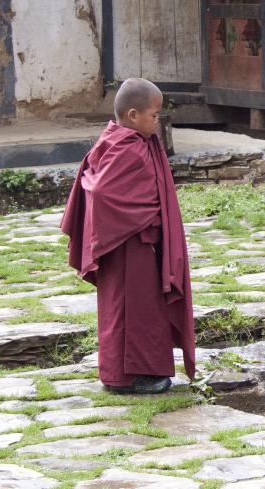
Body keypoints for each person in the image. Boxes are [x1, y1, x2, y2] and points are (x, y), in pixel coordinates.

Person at [61, 78, 195, 393]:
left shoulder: (132, 142)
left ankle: (142, 371)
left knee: (144, 310)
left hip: (138, 244)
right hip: (125, 244)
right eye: (154, 115)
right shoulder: (125, 147)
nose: (158, 121)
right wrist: (146, 216)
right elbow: (103, 192)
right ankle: (126, 377)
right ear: (133, 116)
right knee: (128, 310)